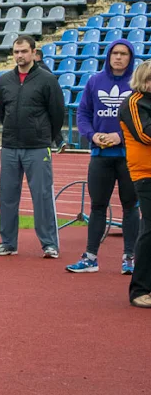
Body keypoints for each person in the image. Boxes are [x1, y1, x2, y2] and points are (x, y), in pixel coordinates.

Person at [66, 39, 139, 274]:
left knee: (130, 206)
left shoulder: (138, 83)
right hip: (100, 155)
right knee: (98, 206)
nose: (118, 57)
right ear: (108, 56)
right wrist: (92, 135)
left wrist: (121, 136)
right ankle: (90, 258)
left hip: (129, 156)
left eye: (123, 54)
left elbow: (143, 119)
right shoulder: (95, 81)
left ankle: (130, 258)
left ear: (130, 57)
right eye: (114, 53)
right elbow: (84, 112)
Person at [0, 34, 66, 258]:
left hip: (37, 147)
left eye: (24, 51)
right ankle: (8, 242)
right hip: (10, 147)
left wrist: (45, 136)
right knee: (7, 195)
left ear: (34, 53)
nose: (19, 56)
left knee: (42, 196)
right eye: (16, 52)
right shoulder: (4, 80)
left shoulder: (47, 80)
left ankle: (49, 244)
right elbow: (1, 112)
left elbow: (57, 113)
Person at [118, 61, 151, 308]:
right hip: (145, 174)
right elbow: (145, 134)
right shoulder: (133, 102)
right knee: (150, 230)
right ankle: (139, 289)